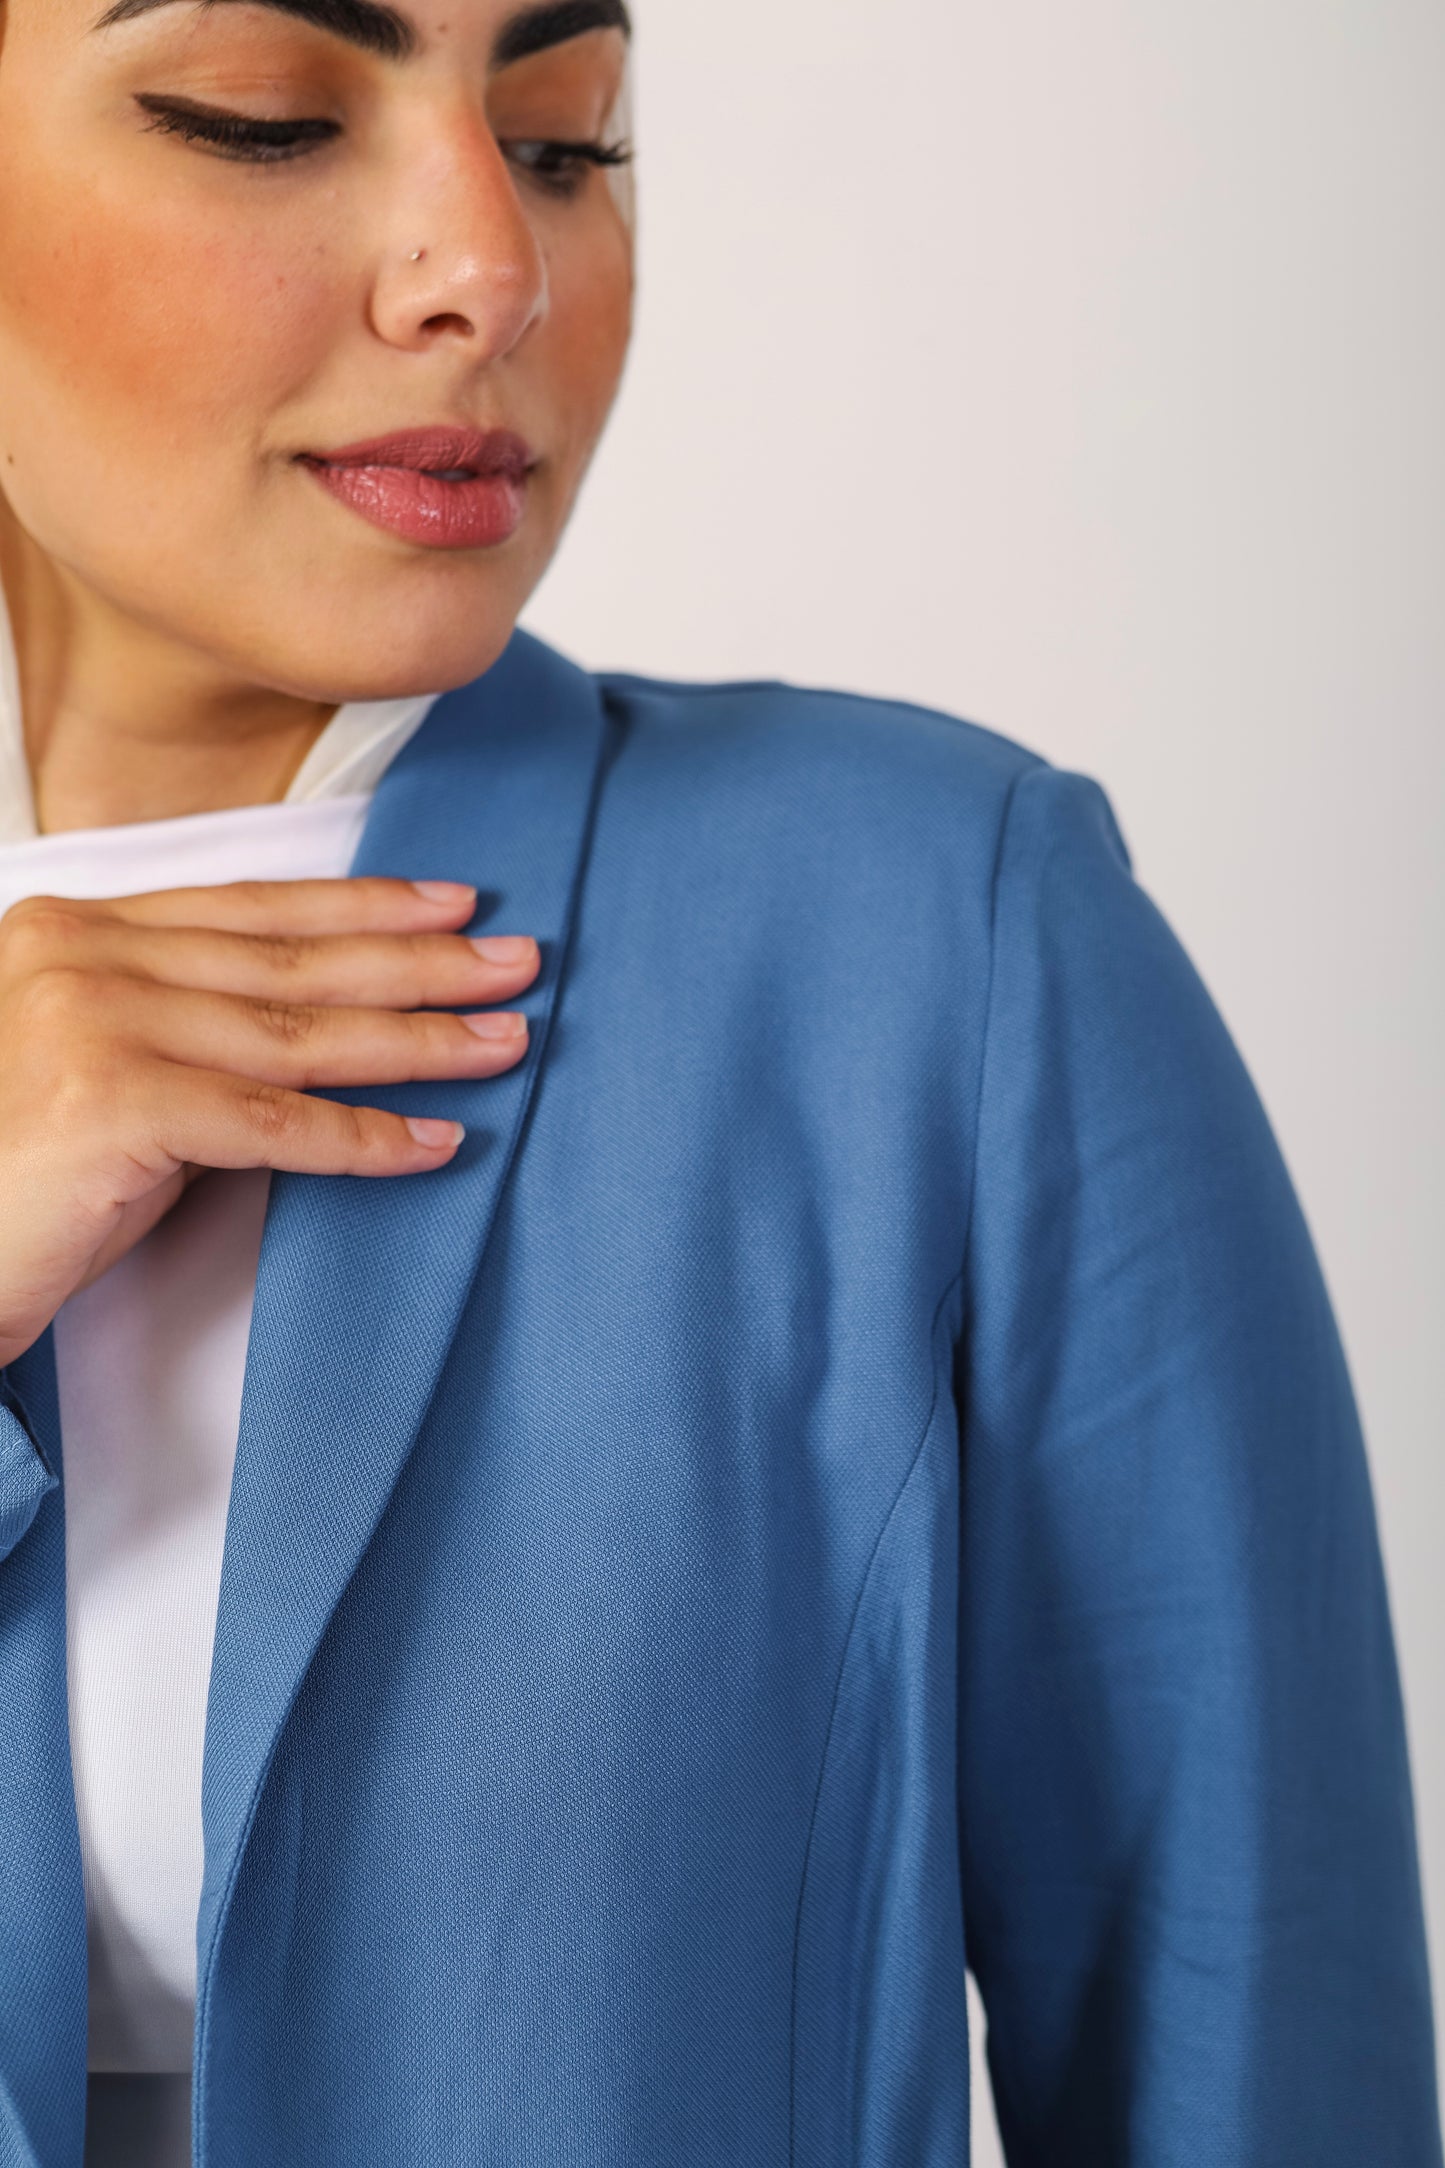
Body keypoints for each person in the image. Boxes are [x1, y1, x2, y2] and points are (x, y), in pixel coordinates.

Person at [0, 0, 1438, 2162]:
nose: (492, 261)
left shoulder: (933, 934)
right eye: (266, 118)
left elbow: (1255, 2048)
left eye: (568, 140)